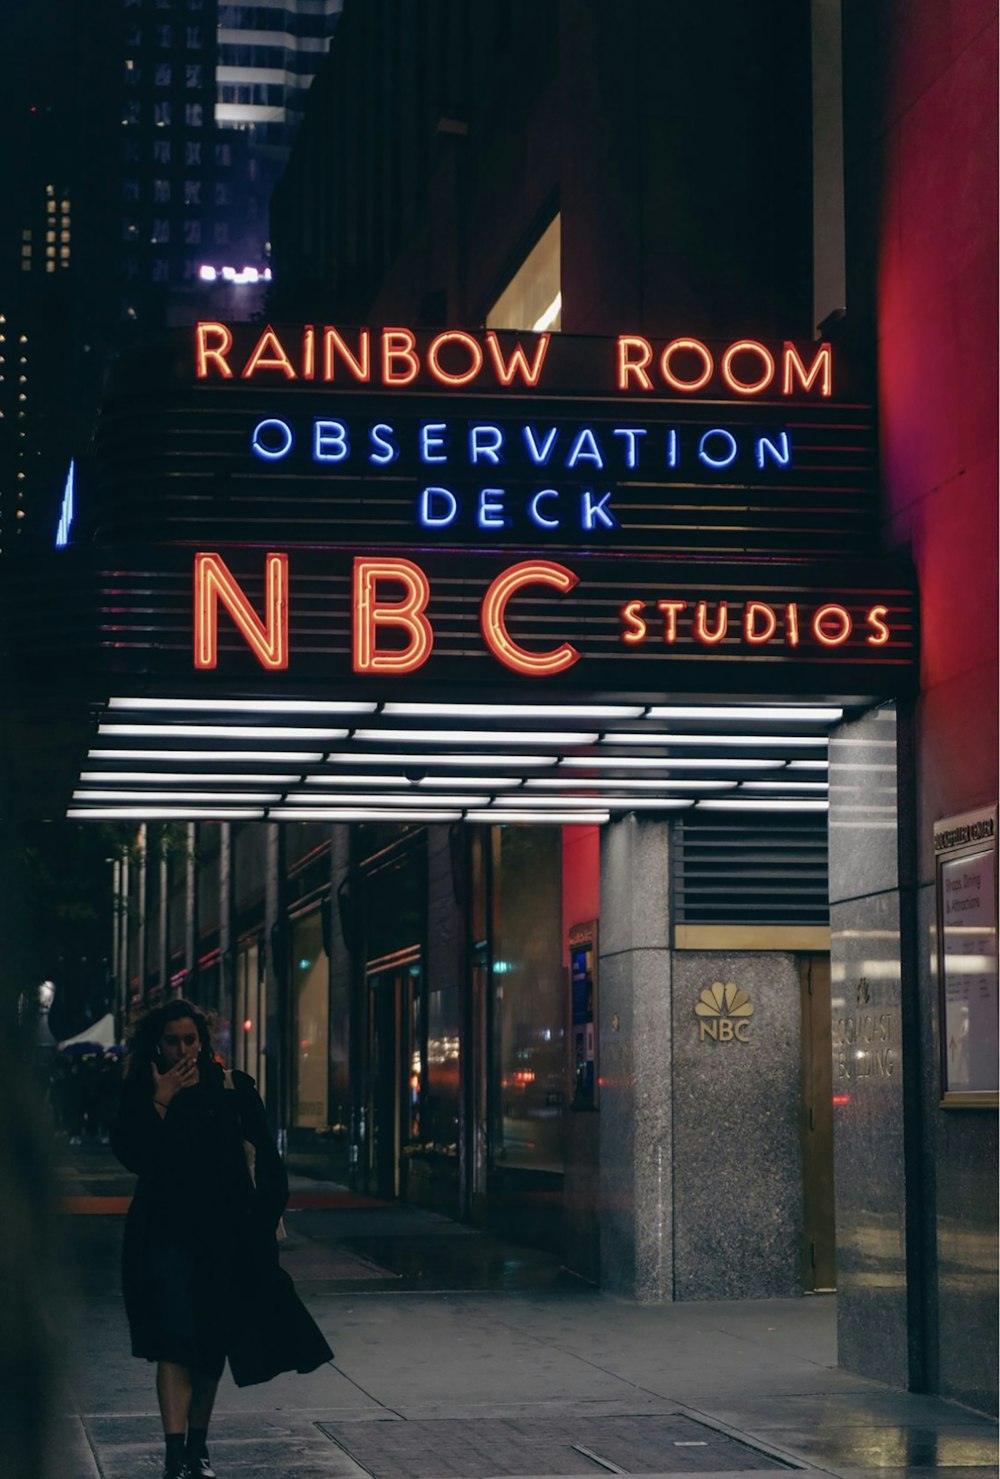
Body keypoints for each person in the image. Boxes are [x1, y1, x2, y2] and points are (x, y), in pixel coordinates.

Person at [111, 999, 333, 1479]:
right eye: (172, 1041)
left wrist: (259, 1226)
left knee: (210, 1344)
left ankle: (197, 1448)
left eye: (190, 1039)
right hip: (164, 1234)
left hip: (224, 1236)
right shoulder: (143, 1089)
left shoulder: (233, 1088)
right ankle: (175, 1456)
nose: (183, 1049)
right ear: (158, 1043)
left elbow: (269, 1164)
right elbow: (132, 1154)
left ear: (203, 1039)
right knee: (174, 1342)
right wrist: (161, 1099)